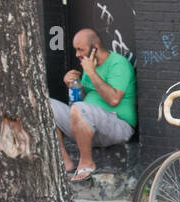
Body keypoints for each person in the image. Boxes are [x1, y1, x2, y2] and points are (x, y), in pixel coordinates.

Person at [49, 28, 137, 181]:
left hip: (118, 126)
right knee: (46, 106)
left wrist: (90, 72)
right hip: (90, 125)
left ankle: (86, 163)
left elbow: (114, 99)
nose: (77, 55)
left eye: (80, 50)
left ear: (95, 47)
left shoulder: (118, 64)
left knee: (80, 109)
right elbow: (82, 102)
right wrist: (73, 85)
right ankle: (64, 161)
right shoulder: (90, 65)